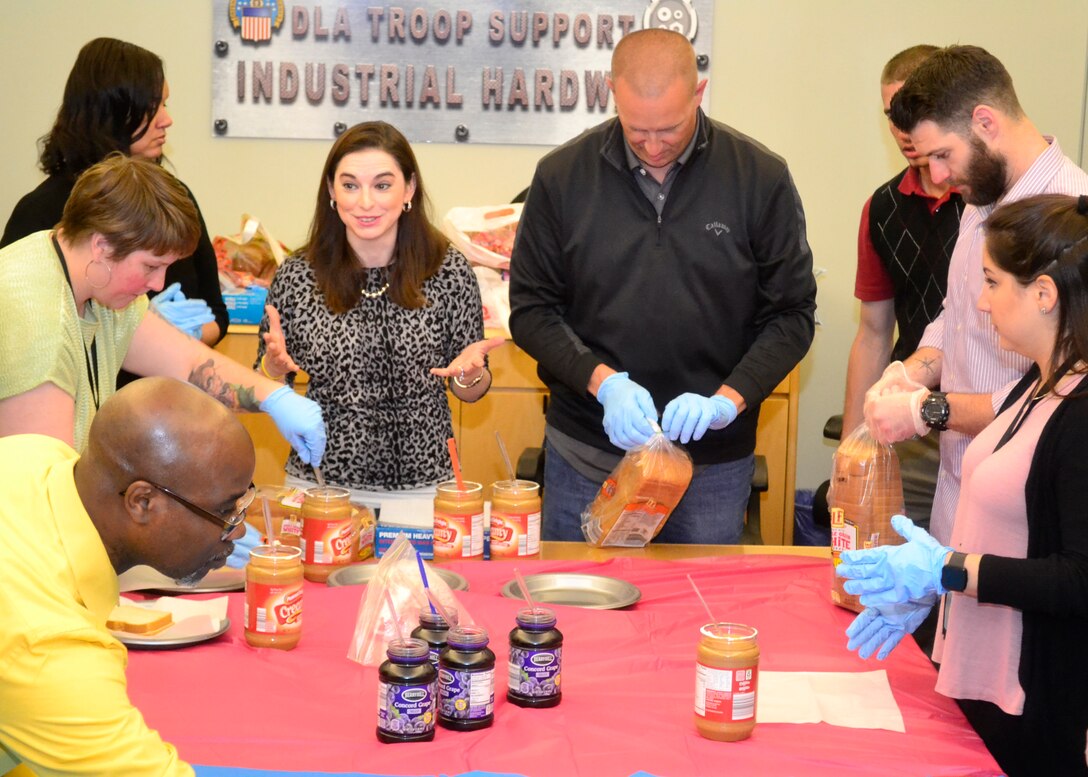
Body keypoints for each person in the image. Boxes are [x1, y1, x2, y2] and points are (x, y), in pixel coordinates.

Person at [508, 28, 816, 544]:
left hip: (710, 467)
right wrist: (603, 382)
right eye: (636, 130)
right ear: (612, 93)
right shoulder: (562, 177)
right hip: (586, 456)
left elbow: (791, 317)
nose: (653, 145)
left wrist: (728, 400)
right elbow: (531, 310)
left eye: (670, 129)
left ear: (699, 92)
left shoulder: (759, 177)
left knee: (699, 614)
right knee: (579, 613)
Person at [837, 193, 1088, 777]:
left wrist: (947, 568)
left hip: (1035, 703)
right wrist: (932, 601)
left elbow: (1077, 579)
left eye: (993, 282)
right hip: (982, 681)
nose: (981, 300)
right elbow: (1007, 536)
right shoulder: (1040, 381)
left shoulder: (1080, 414)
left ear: (1045, 294)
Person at [0, 154, 325, 565]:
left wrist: (275, 397)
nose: (156, 284)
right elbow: (46, 501)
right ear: (101, 244)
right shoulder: (35, 317)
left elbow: (187, 362)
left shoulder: (84, 270)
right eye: (152, 266)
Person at [862, 45, 1088, 545]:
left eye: (943, 155)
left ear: (985, 121)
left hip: (1021, 508)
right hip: (958, 480)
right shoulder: (981, 193)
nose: (937, 176)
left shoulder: (1070, 216)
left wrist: (929, 409)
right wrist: (913, 371)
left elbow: (1056, 395)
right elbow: (957, 313)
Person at [0, 376, 256, 775]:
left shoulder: (35, 455)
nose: (238, 530)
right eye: (224, 511)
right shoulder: (44, 645)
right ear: (142, 503)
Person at [256, 121, 503, 504]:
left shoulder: (448, 270)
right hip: (320, 483)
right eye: (350, 185)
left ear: (409, 189)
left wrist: (471, 376)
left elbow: (469, 390)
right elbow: (268, 385)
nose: (365, 202)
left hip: (425, 486)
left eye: (382, 185)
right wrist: (272, 371)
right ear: (331, 191)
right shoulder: (299, 274)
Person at [0, 37, 229, 377]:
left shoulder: (171, 201)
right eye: (154, 105)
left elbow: (216, 316)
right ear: (111, 110)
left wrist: (181, 337)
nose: (167, 120)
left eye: (166, 104)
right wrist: (129, 338)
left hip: (169, 401)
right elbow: (19, 335)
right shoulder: (40, 212)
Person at [842, 45, 964, 530]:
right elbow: (873, 333)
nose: (903, 131)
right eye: (893, 115)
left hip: (989, 419)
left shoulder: (991, 201)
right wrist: (853, 445)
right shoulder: (882, 209)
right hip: (913, 425)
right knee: (892, 566)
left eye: (913, 113)